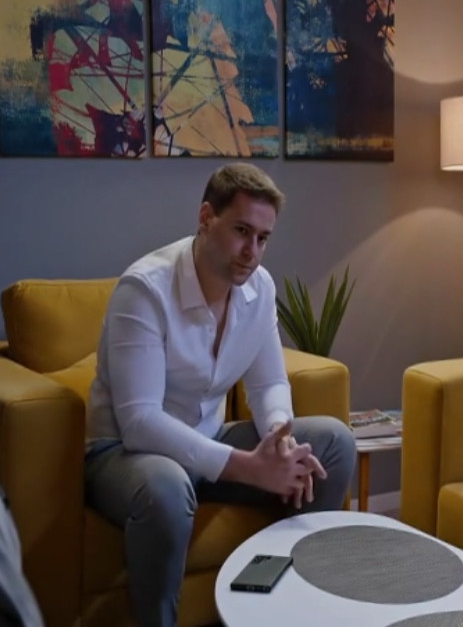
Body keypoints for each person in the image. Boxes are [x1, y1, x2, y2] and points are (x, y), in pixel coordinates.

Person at [83, 163, 356, 627]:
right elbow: (140, 422)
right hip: (126, 455)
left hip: (208, 440)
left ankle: (286, 609)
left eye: (263, 238)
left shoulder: (259, 288)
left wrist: (279, 439)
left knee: (333, 443)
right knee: (167, 487)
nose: (252, 252)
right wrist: (248, 466)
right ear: (206, 218)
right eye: (241, 231)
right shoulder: (144, 290)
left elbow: (269, 384)